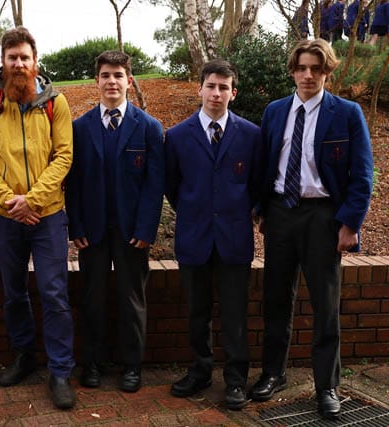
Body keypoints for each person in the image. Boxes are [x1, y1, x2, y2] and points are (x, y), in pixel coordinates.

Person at [250, 39, 373, 420]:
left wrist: (350, 223)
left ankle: (327, 386)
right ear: (292, 70)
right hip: (281, 213)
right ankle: (273, 373)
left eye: (316, 69)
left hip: (323, 217)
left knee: (325, 304)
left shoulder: (346, 113)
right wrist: (261, 210)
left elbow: (362, 173)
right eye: (302, 68)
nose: (308, 75)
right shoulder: (275, 111)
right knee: (276, 298)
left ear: (326, 72)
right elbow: (264, 163)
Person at [0, 26, 76, 410]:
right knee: (13, 292)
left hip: (48, 216)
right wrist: (9, 201)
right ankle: (24, 356)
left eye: (24, 58)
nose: (19, 64)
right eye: (12, 57)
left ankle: (60, 370)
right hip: (5, 218)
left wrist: (32, 200)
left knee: (54, 293)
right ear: (3, 61)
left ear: (35, 61)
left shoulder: (56, 103)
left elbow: (63, 156)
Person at [164, 59, 262, 411]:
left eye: (224, 87)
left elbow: (257, 184)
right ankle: (200, 371)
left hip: (234, 239)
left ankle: (235, 380)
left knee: (235, 314)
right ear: (200, 89)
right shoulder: (176, 136)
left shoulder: (251, 135)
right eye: (211, 86)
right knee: (197, 312)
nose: (216, 93)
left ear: (233, 93)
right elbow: (172, 186)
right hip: (194, 237)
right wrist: (195, 212)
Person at [65, 51, 164, 393]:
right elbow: (73, 183)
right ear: (96, 81)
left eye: (118, 75)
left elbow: (154, 185)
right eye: (105, 75)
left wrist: (146, 228)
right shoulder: (79, 128)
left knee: (131, 300)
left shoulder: (148, 127)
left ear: (129, 81)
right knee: (92, 299)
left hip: (132, 232)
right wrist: (76, 226)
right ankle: (92, 364)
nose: (112, 81)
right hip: (92, 231)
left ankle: (132, 366)